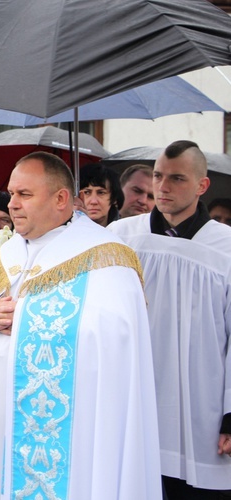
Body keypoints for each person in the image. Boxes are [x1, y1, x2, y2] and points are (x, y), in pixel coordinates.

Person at [0, 152, 161, 499]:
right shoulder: (8, 254)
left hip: (71, 436)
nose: (12, 204)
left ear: (60, 199)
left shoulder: (107, 256)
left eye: (24, 195)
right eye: (11, 194)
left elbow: (114, 342)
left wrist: (27, 322)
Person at [109, 140, 231, 498]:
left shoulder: (226, 247)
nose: (163, 187)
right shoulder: (119, 238)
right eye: (159, 176)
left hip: (201, 406)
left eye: (177, 178)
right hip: (134, 396)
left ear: (201, 185)